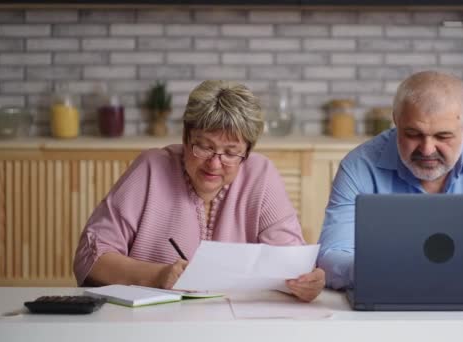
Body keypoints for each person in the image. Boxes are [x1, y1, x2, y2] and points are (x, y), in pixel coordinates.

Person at [73, 80, 325, 302]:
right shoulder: (151, 168)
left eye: (230, 153)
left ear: (247, 152)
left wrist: (307, 281)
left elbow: (290, 263)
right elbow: (91, 259)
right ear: (185, 138)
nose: (214, 164)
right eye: (204, 147)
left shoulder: (261, 175)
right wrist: (156, 275)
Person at [317, 70, 463, 291]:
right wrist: (374, 273)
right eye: (413, 134)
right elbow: (331, 256)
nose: (427, 150)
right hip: (388, 298)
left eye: (443, 136)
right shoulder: (359, 165)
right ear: (396, 121)